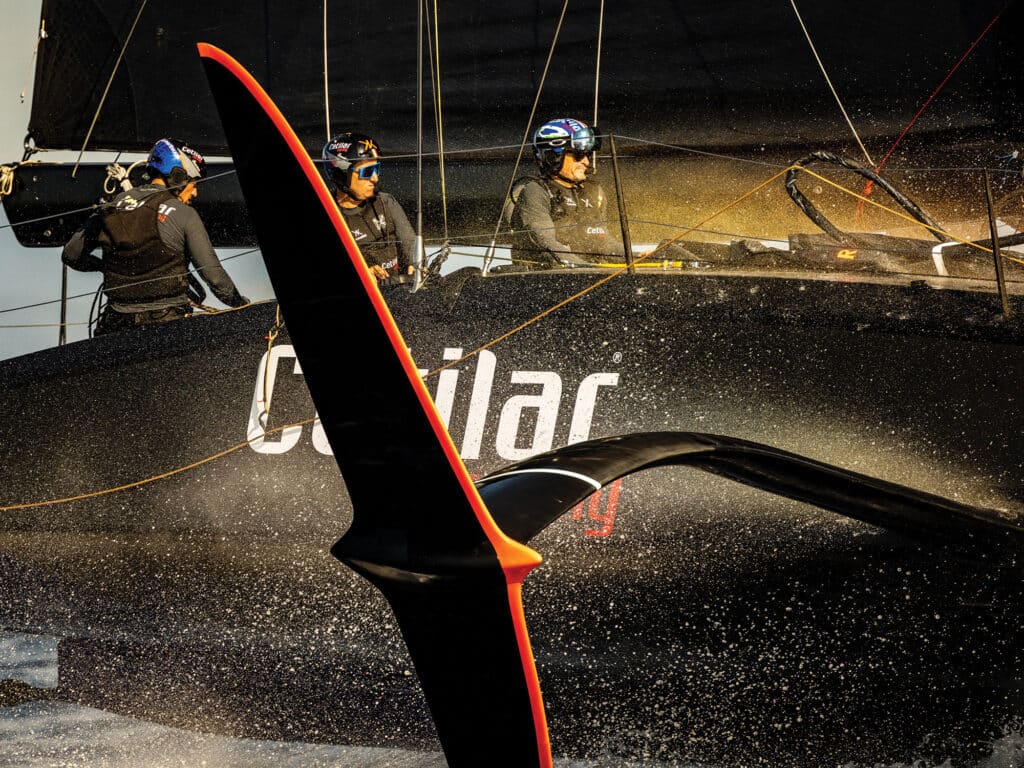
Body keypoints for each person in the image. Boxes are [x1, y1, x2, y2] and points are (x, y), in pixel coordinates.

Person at [62, 138, 248, 335]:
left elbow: (71, 255)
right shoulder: (183, 213)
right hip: (168, 327)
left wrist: (103, 268)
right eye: (193, 183)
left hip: (115, 326)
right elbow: (215, 278)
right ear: (178, 176)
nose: (195, 192)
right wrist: (242, 307)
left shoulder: (111, 206)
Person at [506, 117, 623, 269]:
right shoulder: (536, 191)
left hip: (588, 275)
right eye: (579, 155)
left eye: (587, 155)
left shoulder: (595, 193)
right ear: (553, 156)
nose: (586, 162)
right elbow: (546, 245)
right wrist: (587, 268)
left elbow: (604, 243)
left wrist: (638, 257)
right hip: (548, 280)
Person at [322, 132, 417, 283]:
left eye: (376, 169)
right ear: (341, 173)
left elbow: (410, 243)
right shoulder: (327, 215)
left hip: (400, 290)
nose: (375, 178)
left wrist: (417, 264)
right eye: (367, 172)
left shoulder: (386, 202)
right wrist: (361, 271)